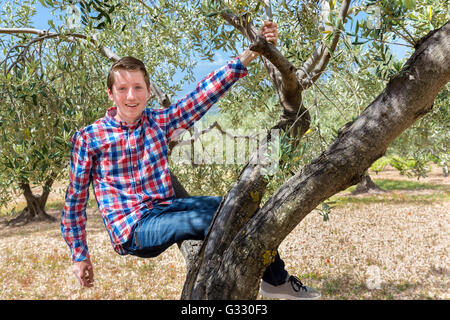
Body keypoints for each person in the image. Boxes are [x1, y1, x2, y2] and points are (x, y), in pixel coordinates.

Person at [61, 20, 320, 300]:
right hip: (135, 230)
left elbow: (202, 95)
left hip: (165, 208)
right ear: (111, 94)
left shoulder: (159, 122)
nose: (131, 96)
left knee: (237, 206)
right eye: (122, 89)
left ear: (148, 92)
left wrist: (252, 53)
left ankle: (275, 280)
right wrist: (79, 255)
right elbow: (74, 202)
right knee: (214, 219)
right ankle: (229, 283)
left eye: (137, 87)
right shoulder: (90, 138)